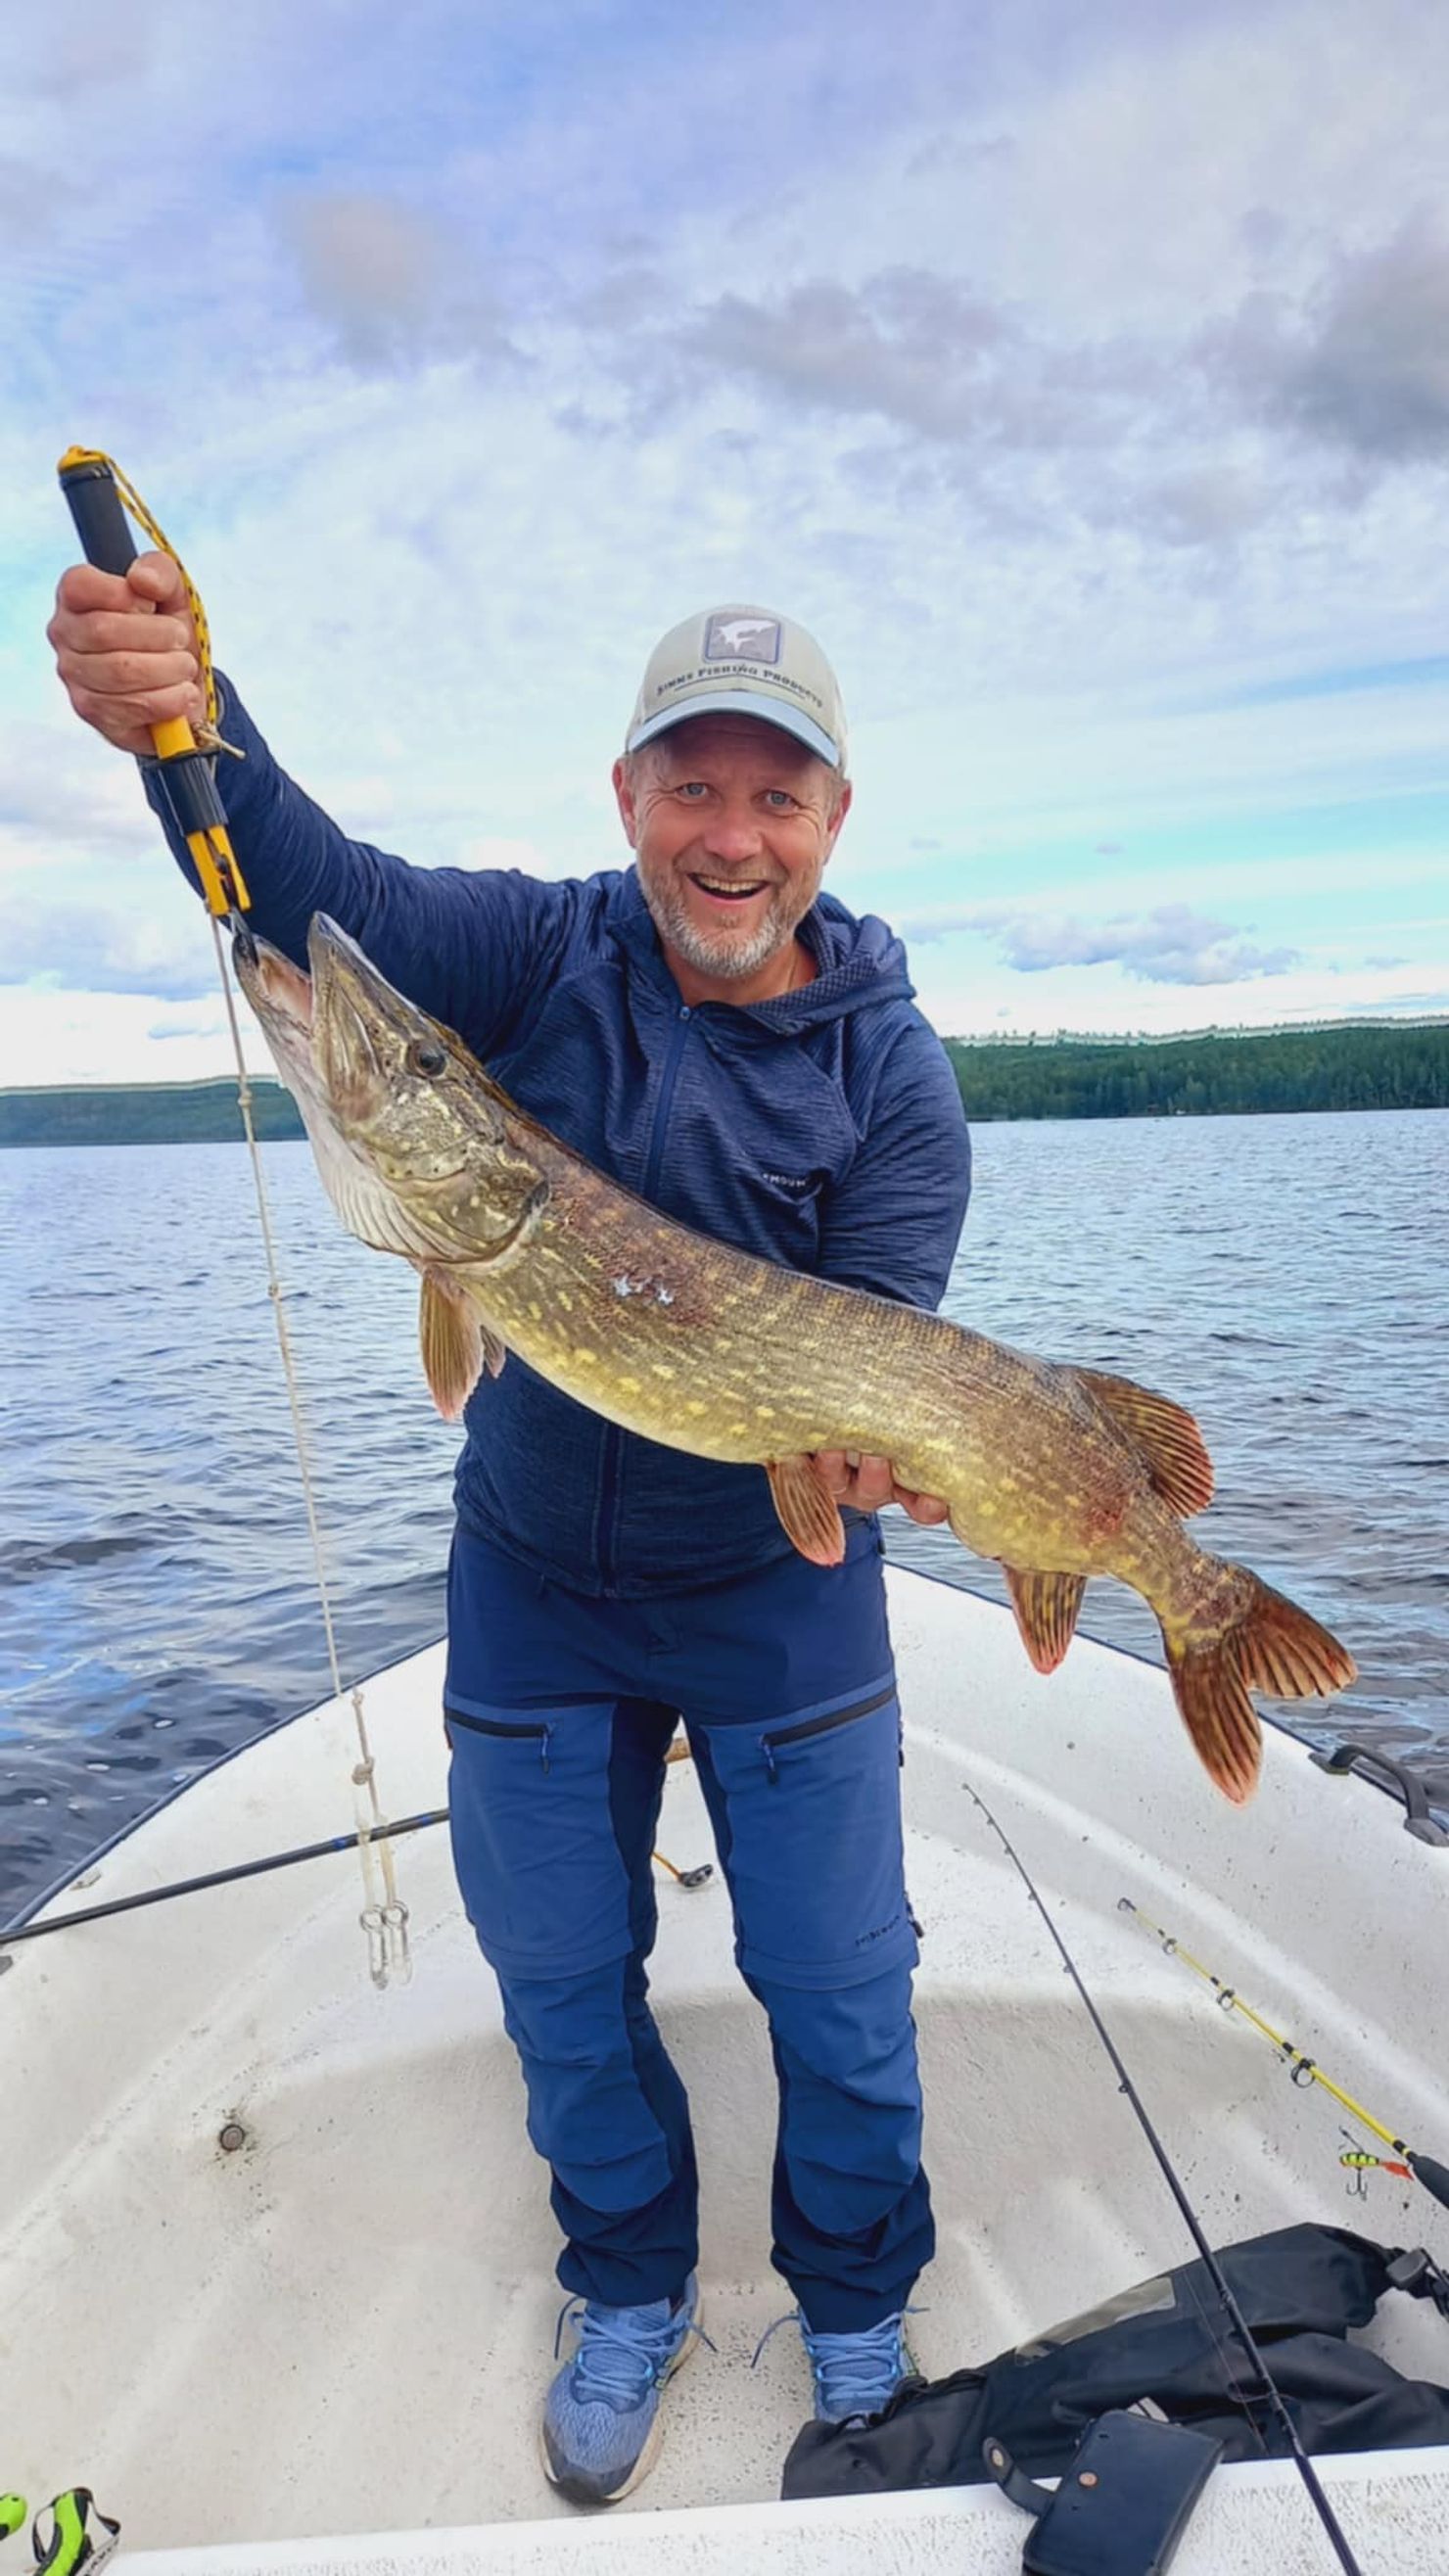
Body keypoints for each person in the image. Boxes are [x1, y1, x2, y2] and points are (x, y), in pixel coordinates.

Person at [48, 564, 973, 2506]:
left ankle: (856, 2299)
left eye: (775, 794)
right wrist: (188, 718)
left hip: (777, 1597)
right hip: (537, 1583)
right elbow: (302, 890)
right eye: (691, 785)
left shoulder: (889, 1073)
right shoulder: (541, 952)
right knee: (557, 1976)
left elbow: (875, 1346)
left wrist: (886, 1457)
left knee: (838, 1984)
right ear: (629, 793)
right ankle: (626, 2283)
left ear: (833, 818)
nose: (731, 836)